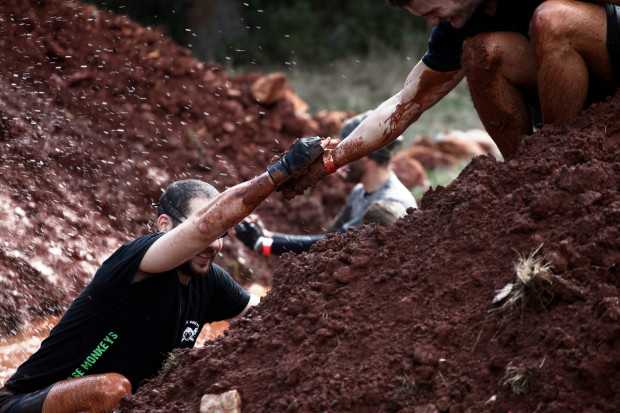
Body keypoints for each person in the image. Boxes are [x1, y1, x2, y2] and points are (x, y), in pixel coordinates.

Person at [0, 136, 334, 413]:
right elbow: (205, 226)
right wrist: (278, 173)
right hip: (26, 404)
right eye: (207, 231)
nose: (214, 244)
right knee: (111, 390)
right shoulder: (136, 258)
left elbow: (274, 314)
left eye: (222, 234)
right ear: (165, 226)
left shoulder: (211, 281)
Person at [317, 0, 620, 174]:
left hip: (608, 61)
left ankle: (562, 164)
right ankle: (530, 176)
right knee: (480, 53)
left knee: (552, 19)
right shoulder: (456, 25)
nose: (435, 22)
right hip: (566, 97)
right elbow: (406, 102)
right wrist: (332, 160)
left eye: (434, 11)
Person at [234, 112, 417, 256]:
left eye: (347, 151)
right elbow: (330, 239)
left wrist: (264, 245)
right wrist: (268, 236)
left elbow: (334, 245)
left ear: (366, 153)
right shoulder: (360, 192)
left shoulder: (392, 203)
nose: (340, 160)